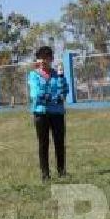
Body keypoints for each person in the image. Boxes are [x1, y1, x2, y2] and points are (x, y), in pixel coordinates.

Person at [28, 46, 69, 181]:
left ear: (51, 59)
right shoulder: (33, 75)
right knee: (43, 143)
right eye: (42, 58)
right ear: (38, 60)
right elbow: (35, 94)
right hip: (41, 114)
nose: (45, 61)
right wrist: (51, 96)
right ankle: (45, 174)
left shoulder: (57, 74)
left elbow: (64, 91)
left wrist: (61, 78)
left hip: (57, 112)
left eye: (48, 58)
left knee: (59, 142)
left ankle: (62, 171)